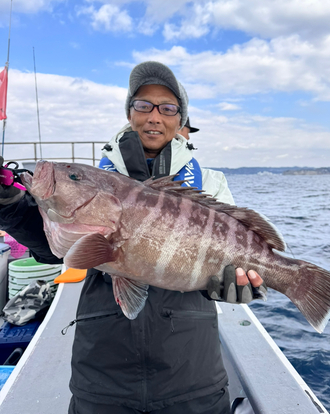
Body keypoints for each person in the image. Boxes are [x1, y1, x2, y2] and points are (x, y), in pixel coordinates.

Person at [0, 61, 265, 414]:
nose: (154, 116)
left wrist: (241, 286)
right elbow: (53, 248)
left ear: (180, 120)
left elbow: (237, 262)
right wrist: (10, 204)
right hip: (102, 373)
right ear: (129, 112)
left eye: (167, 108)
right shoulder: (99, 176)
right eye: (143, 105)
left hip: (191, 372)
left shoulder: (210, 182)